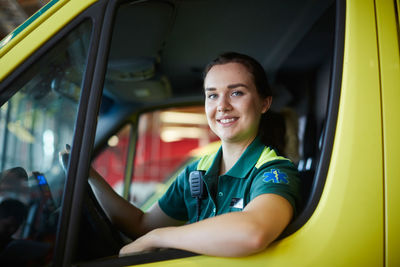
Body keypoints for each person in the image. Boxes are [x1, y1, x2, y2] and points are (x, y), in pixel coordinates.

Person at [87, 52, 301, 257]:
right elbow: (142, 226)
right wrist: (90, 177)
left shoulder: (274, 171)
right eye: (212, 95)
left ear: (264, 103)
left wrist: (159, 237)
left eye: (236, 93)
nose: (222, 106)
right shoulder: (197, 171)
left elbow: (253, 233)